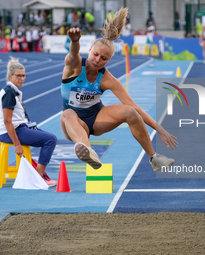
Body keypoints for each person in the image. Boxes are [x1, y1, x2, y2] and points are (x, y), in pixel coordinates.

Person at [60, 8, 176, 171]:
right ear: (90, 50)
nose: (97, 60)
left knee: (130, 112)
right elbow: (72, 55)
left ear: (109, 61)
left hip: (95, 119)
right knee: (67, 113)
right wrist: (75, 42)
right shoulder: (75, 66)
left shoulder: (107, 79)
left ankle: (154, 158)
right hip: (73, 124)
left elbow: (134, 106)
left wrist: (159, 129)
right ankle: (88, 152)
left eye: (103, 58)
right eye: (95, 54)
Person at [0, 57, 57, 187]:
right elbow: (7, 121)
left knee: (47, 137)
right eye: (19, 76)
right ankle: (38, 177)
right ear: (10, 76)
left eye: (24, 75)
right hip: (12, 131)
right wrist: (17, 144)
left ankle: (38, 174)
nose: (22, 78)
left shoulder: (14, 91)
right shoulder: (9, 93)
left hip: (20, 128)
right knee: (50, 140)